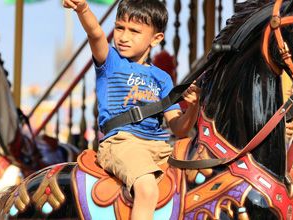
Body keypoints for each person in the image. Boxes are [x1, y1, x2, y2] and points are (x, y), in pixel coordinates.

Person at [63, 0, 200, 219]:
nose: (124, 37)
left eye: (134, 31)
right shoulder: (111, 61)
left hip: (159, 146)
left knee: (195, 182)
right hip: (121, 142)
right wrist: (83, 10)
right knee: (146, 188)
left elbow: (179, 128)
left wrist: (193, 107)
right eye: (119, 27)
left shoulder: (162, 78)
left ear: (156, 39)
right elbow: (96, 34)